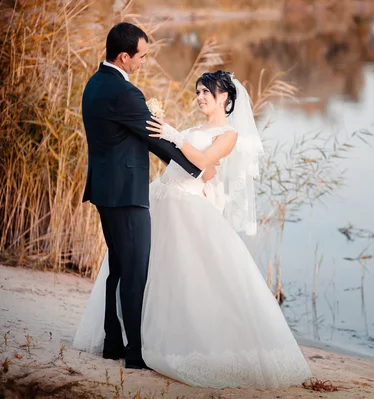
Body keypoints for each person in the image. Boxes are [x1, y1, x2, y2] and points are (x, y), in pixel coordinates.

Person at [74, 70, 312, 388]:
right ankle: (130, 340)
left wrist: (174, 135)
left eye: (206, 92)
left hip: (184, 207)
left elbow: (200, 161)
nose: (199, 97)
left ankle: (169, 342)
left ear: (224, 97)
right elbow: (185, 162)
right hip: (159, 198)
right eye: (197, 91)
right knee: (143, 271)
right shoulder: (194, 128)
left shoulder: (229, 135)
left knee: (181, 276)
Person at [79, 22, 217, 369]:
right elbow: (155, 139)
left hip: (105, 190)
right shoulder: (125, 93)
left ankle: (113, 341)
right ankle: (135, 352)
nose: (143, 61)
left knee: (118, 267)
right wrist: (198, 169)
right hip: (126, 195)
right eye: (140, 56)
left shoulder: (94, 84)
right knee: (135, 270)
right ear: (124, 57)